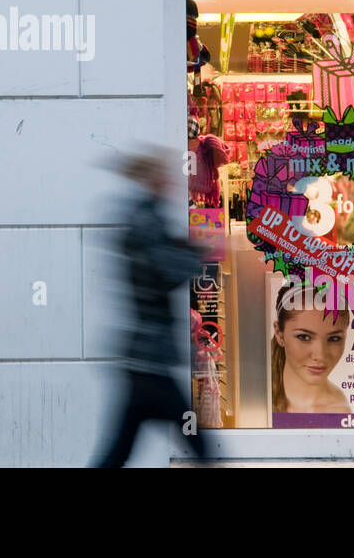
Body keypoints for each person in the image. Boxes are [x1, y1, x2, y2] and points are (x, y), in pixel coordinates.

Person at [92, 147, 210, 467]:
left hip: (142, 358)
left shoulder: (140, 215)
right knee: (200, 441)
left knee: (119, 450)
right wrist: (195, 254)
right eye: (164, 175)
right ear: (151, 179)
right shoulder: (145, 218)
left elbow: (158, 259)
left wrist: (186, 248)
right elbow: (164, 272)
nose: (170, 181)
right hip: (150, 358)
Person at [271, 279, 352, 416]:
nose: (320, 356)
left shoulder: (340, 412)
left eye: (334, 339)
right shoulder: (253, 399)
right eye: (304, 337)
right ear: (279, 333)